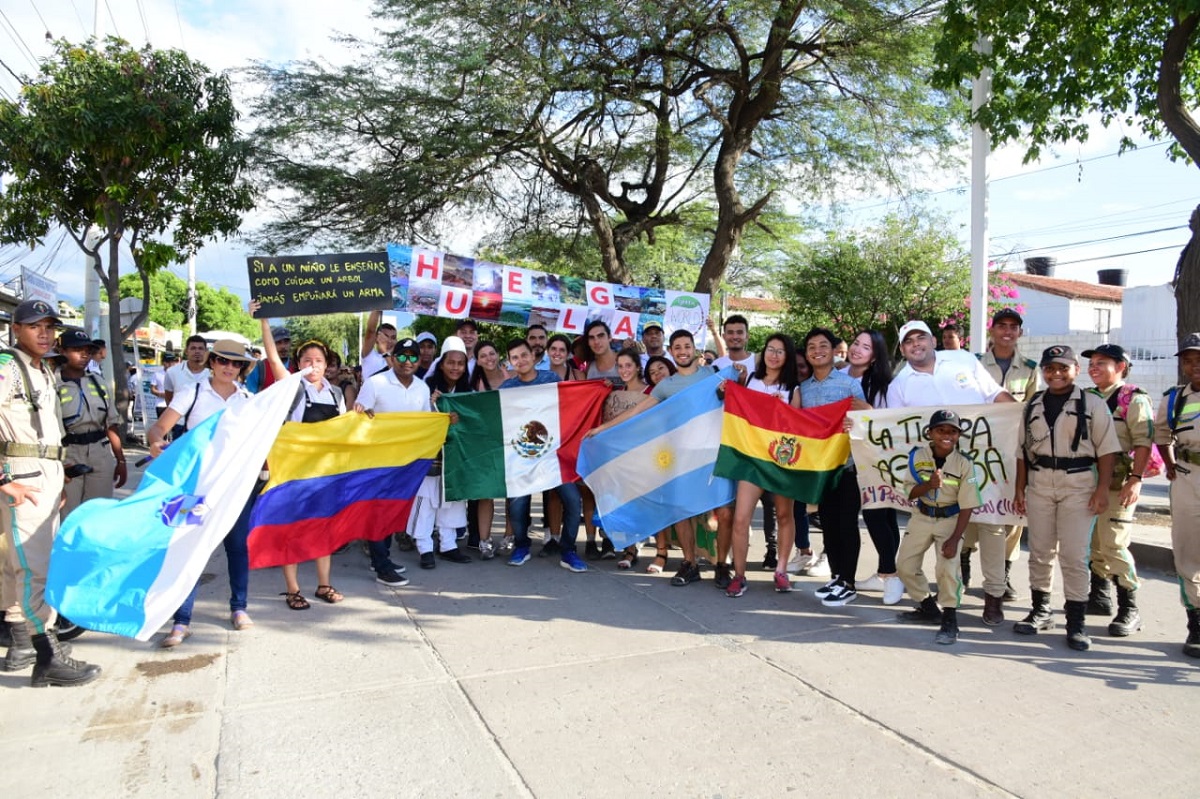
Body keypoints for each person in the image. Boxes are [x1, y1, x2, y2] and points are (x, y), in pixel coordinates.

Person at [887, 319, 1016, 626]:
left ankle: (994, 596)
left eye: (921, 338)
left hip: (986, 460)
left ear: (933, 341)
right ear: (903, 350)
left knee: (992, 527)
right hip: (939, 472)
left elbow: (995, 395)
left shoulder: (963, 360)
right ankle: (935, 605)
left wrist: (1021, 417)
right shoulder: (900, 384)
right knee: (956, 535)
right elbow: (892, 429)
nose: (916, 344)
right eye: (909, 342)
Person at [0, 300, 101, 686]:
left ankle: (25, 645)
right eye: (34, 326)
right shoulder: (7, 366)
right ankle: (47, 657)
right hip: (21, 476)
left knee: (25, 564)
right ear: (16, 328)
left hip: (44, 472)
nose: (44, 333)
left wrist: (59, 476)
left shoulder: (41, 370)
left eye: (49, 326)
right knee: (33, 569)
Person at [590, 329, 736, 586]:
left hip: (713, 456)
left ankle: (723, 565)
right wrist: (602, 429)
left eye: (686, 346)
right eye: (677, 347)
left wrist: (738, 378)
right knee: (680, 512)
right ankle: (689, 564)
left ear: (695, 350)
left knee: (724, 512)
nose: (682, 351)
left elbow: (738, 391)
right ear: (672, 351)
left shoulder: (713, 375)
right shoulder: (665, 386)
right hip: (681, 457)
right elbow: (638, 409)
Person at [148, 340, 259, 648]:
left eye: (236, 363)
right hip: (191, 486)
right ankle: (181, 621)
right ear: (213, 362)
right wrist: (156, 443)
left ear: (242, 368)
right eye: (223, 360)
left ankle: (239, 608)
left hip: (234, 487)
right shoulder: (192, 392)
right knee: (185, 549)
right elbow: (158, 429)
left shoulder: (248, 400)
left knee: (237, 548)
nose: (229, 367)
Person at [1012, 346, 1119, 651]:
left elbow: (1107, 450)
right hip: (1041, 482)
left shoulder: (1092, 404)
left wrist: (1101, 490)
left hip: (1078, 483)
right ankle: (1041, 610)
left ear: (1075, 369)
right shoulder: (1033, 404)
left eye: (1062, 368)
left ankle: (1076, 622)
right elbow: (1022, 451)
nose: (1055, 374)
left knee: (1073, 555)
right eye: (1049, 369)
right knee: (1040, 551)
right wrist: (1020, 488)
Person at [257, 311, 348, 610]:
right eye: (307, 360)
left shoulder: (336, 394)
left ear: (326, 364)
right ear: (298, 364)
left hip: (326, 473)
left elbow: (345, 430)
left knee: (324, 529)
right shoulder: (293, 387)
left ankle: (324, 585)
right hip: (295, 472)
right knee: (292, 530)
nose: (313, 365)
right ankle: (294, 589)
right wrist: (264, 321)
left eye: (319, 360)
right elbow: (272, 360)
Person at [966, 308, 1041, 602]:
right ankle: (962, 566)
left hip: (1012, 453)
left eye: (1013, 326)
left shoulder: (1031, 368)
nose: (1007, 331)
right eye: (1002, 326)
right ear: (992, 330)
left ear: (1019, 332)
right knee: (970, 506)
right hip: (977, 449)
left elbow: (1033, 410)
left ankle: (1004, 572)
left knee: (1011, 512)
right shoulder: (973, 364)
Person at [1082, 343, 1153, 635]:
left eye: (1102, 363)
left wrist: (1136, 479)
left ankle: (1130, 607)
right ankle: (1099, 596)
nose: (1094, 367)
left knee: (1113, 543)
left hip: (1119, 485)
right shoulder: (1086, 397)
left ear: (1121, 366)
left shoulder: (1132, 399)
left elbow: (1143, 442)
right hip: (1089, 483)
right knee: (1094, 544)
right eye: (1091, 363)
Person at [499, 339, 588, 573]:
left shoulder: (550, 380)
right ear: (510, 362)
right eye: (514, 357)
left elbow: (571, 404)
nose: (520, 360)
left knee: (572, 501)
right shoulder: (506, 388)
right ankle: (522, 545)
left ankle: (568, 550)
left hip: (552, 457)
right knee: (517, 508)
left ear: (533, 356)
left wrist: (600, 387)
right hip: (521, 459)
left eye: (524, 355)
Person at [894, 410, 982, 645]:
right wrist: (928, 485)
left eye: (952, 431)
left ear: (958, 436)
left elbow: (968, 505)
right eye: (941, 430)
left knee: (947, 568)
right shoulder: (917, 457)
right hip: (922, 516)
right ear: (930, 433)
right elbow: (910, 493)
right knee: (904, 565)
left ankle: (950, 618)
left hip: (950, 519)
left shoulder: (964, 464)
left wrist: (955, 539)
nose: (946, 436)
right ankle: (928, 607)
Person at [726, 334, 803, 598]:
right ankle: (738, 575)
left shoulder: (794, 388)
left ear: (787, 357)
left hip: (780, 462)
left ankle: (781, 571)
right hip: (751, 461)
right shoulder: (751, 380)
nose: (774, 355)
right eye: (771, 349)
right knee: (740, 518)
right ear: (764, 352)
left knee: (784, 516)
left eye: (780, 351)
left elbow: (795, 429)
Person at [354, 337, 434, 586]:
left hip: (406, 463)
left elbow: (426, 423)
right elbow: (358, 418)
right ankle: (382, 566)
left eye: (413, 357)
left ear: (419, 361)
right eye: (402, 356)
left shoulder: (422, 387)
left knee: (392, 511)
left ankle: (382, 556)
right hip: (377, 461)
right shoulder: (375, 383)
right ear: (392, 358)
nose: (407, 361)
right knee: (379, 512)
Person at [801, 328, 870, 607]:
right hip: (820, 469)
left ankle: (849, 582)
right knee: (827, 523)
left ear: (833, 350)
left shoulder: (848, 384)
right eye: (811, 346)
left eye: (823, 345)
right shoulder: (802, 389)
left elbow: (864, 419)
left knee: (846, 524)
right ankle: (837, 576)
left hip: (847, 466)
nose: (817, 350)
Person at [843, 329, 903, 605]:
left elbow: (892, 422)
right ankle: (883, 573)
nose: (857, 349)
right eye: (856, 343)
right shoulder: (840, 376)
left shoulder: (883, 385)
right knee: (873, 518)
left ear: (875, 355)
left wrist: (868, 410)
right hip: (844, 459)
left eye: (865, 347)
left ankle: (891, 576)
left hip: (875, 460)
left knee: (880, 517)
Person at [1153, 332, 1200, 658]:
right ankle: (1196, 623)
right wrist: (1170, 465)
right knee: (1187, 553)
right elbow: (1161, 434)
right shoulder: (1174, 399)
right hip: (1188, 477)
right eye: (1188, 360)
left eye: (1199, 359)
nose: (1194, 366)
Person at [414, 336, 473, 567]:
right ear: (442, 363)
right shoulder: (425, 388)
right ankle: (424, 547)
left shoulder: (467, 392)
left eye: (460, 363)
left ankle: (448, 544)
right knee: (427, 500)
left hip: (455, 455)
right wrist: (433, 406)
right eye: (451, 362)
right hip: (430, 453)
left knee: (453, 499)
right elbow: (417, 418)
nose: (456, 367)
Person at [55, 329, 127, 515]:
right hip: (67, 454)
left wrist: (120, 460)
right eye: (77, 349)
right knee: (67, 514)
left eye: (88, 350)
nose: (84, 355)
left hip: (99, 453)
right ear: (61, 351)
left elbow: (111, 424)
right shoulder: (51, 382)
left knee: (97, 513)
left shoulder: (98, 382)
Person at [163, 334, 210, 409]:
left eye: (200, 348)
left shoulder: (213, 374)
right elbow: (169, 399)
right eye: (193, 348)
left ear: (206, 351)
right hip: (180, 419)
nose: (197, 351)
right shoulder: (172, 372)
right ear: (186, 351)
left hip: (206, 420)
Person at [360, 310, 398, 379]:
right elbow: (371, 330)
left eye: (393, 338)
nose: (389, 341)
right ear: (377, 337)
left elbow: (397, 377)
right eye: (386, 336)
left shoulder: (400, 358)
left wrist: (385, 352)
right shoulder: (369, 355)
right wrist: (377, 306)